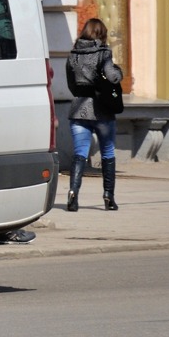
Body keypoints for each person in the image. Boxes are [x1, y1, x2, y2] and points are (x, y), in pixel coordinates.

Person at [65, 17, 124, 211]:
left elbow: (71, 84)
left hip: (78, 109)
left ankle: (73, 194)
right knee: (107, 152)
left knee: (80, 153)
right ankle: (108, 197)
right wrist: (119, 72)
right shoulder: (103, 52)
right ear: (101, 34)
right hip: (102, 112)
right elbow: (112, 77)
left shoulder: (73, 54)